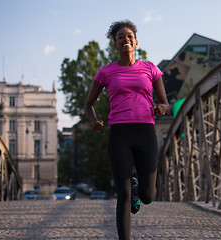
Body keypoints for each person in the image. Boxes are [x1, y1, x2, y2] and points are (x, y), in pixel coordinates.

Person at [84, 20, 170, 240]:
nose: (126, 39)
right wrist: (94, 121)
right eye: (121, 37)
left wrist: (161, 107)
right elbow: (88, 104)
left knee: (149, 195)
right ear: (115, 44)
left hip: (146, 133)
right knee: (122, 195)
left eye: (129, 36)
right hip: (119, 135)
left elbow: (165, 102)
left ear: (136, 42)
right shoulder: (106, 72)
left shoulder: (150, 69)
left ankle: (137, 188)